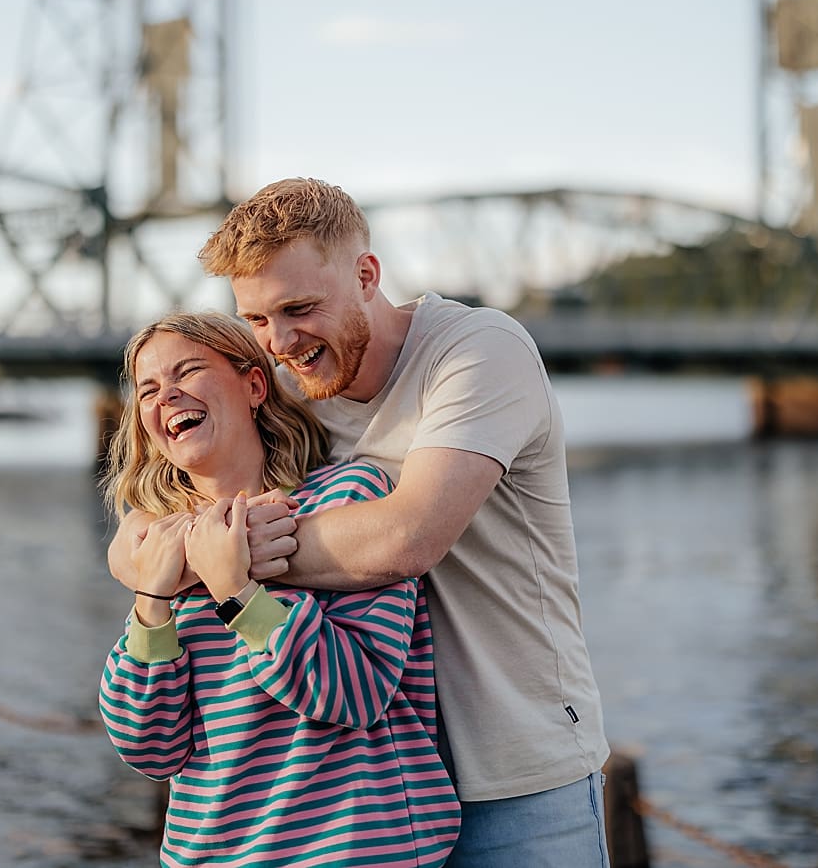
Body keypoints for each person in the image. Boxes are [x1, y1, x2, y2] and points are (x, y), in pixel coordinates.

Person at [110, 180, 612, 868]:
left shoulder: (476, 352)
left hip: (515, 769)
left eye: (299, 308)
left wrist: (223, 559)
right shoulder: (297, 383)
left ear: (367, 276)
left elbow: (407, 536)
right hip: (377, 783)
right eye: (256, 319)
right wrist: (162, 563)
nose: (280, 342)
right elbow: (140, 534)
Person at [99, 308, 459, 868]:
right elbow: (151, 748)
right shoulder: (163, 547)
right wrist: (152, 601)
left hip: (355, 850)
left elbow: (358, 693)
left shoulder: (347, 498)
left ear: (254, 386)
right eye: (148, 390)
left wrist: (237, 589)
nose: (165, 396)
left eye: (188, 372)